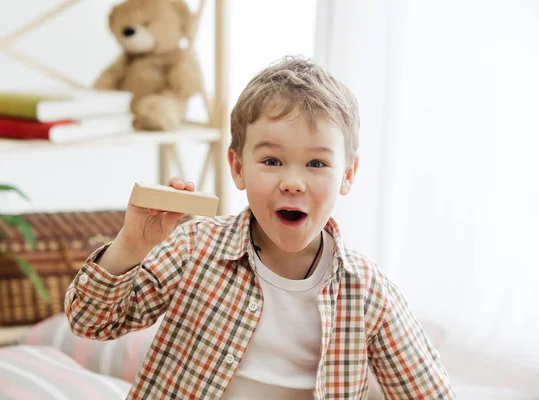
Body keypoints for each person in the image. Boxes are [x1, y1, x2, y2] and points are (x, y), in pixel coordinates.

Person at [65, 56, 456, 399]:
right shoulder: (193, 248)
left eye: (316, 164)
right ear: (237, 168)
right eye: (271, 161)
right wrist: (131, 245)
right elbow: (90, 321)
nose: (292, 182)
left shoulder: (368, 293)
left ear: (347, 175)